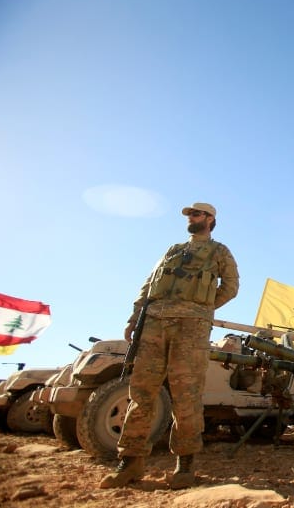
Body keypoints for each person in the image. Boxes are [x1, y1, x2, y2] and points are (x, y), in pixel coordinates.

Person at [100, 202, 239, 489]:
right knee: (141, 393)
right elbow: (149, 285)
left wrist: (202, 309)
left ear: (211, 219)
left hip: (191, 328)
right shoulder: (172, 250)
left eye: (197, 214)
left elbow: (231, 287)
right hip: (153, 324)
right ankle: (130, 462)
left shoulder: (220, 252)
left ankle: (185, 464)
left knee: (185, 395)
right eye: (189, 214)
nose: (191, 217)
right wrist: (134, 317)